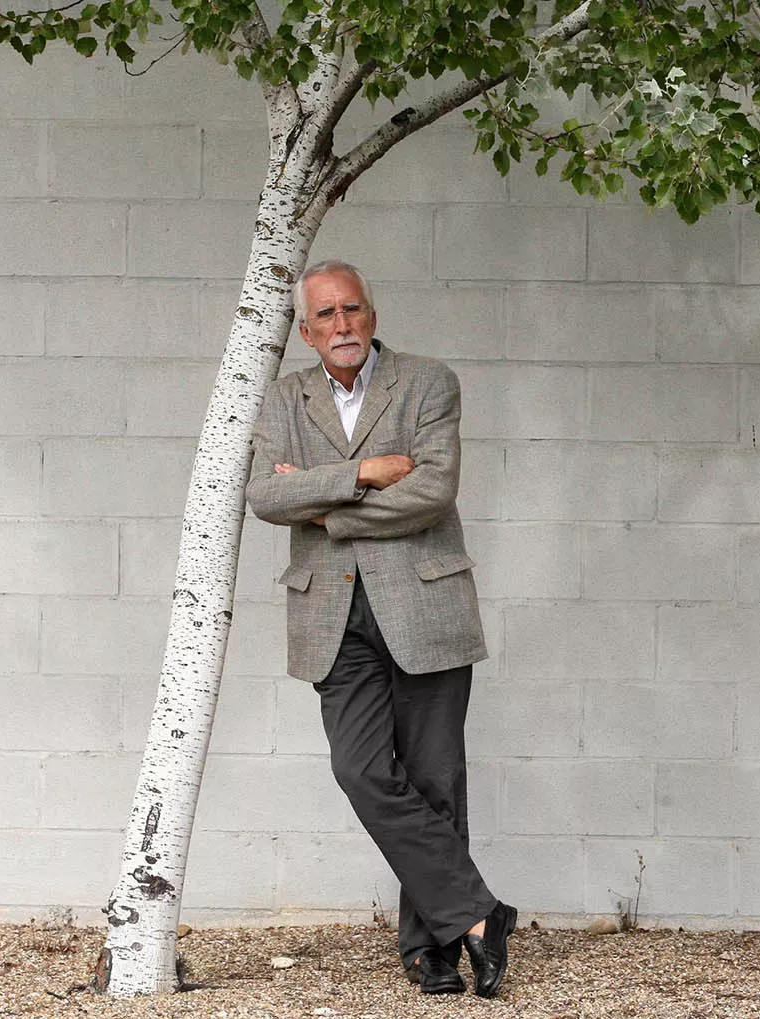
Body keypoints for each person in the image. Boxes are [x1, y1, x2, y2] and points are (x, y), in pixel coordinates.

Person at [245, 259, 516, 998]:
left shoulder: (428, 382)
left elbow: (432, 491)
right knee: (361, 768)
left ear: (371, 316)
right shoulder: (284, 397)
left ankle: (433, 950)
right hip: (333, 613)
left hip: (424, 601)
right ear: (306, 330)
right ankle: (480, 914)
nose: (342, 326)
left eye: (353, 310)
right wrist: (365, 472)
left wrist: (324, 504)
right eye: (326, 315)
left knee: (434, 778)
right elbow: (266, 494)